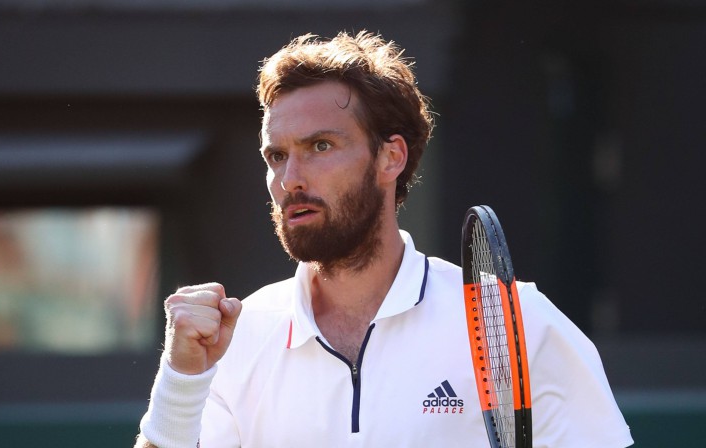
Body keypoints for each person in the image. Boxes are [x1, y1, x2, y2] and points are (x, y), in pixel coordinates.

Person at [135, 31, 633, 447]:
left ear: (390, 158)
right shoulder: (235, 341)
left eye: (320, 146)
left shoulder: (514, 322)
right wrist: (180, 380)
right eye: (277, 157)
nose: (290, 179)